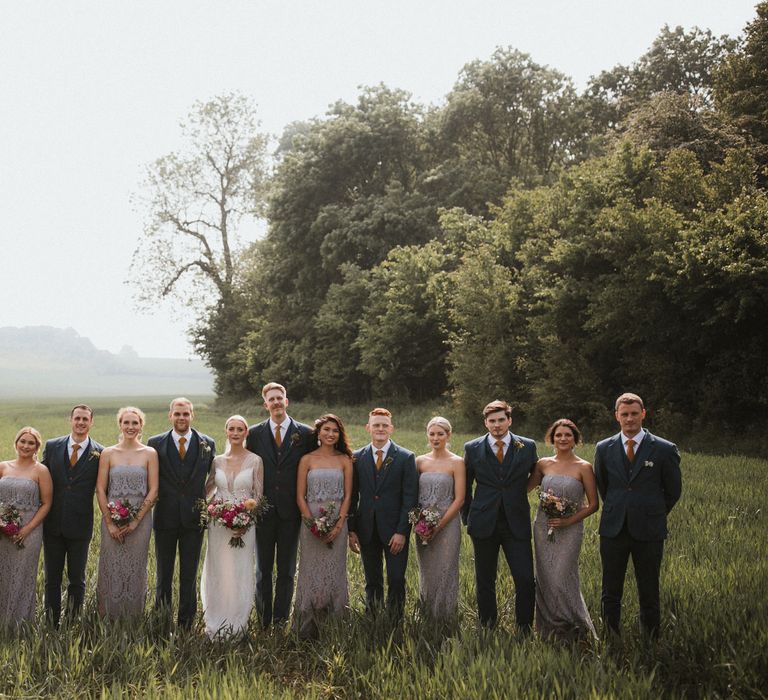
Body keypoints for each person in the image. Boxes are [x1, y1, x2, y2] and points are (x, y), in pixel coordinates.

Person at [595, 393, 682, 639]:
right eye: (625, 414)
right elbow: (604, 486)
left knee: (649, 588)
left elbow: (673, 491)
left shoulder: (664, 449)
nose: (630, 418)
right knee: (610, 589)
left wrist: (651, 512)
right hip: (613, 529)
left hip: (649, 530)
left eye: (634, 413)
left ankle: (651, 640)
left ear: (643, 413)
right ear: (617, 417)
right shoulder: (604, 448)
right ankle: (611, 636)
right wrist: (620, 509)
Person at [462, 400, 537, 632]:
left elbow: (535, 476)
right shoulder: (472, 448)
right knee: (485, 580)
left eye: (501, 420)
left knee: (525, 579)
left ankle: (524, 629)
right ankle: (488, 627)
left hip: (516, 522)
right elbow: (465, 486)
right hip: (484, 522)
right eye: (492, 421)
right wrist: (469, 518)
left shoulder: (527, 445)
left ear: (509, 420)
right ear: (485, 423)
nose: (497, 425)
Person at [245, 382, 312, 628]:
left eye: (279, 397)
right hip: (262, 511)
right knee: (262, 570)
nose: (275, 402)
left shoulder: (305, 434)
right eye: (270, 399)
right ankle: (263, 621)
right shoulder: (253, 434)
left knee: (286, 570)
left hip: (290, 512)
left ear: (286, 400)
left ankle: (281, 620)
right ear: (265, 405)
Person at [527, 418, 598, 640]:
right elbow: (524, 489)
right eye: (559, 435)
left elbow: (594, 504)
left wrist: (569, 521)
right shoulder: (543, 464)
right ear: (552, 438)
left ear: (575, 439)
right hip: (543, 527)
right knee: (545, 577)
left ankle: (574, 625)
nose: (563, 438)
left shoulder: (584, 467)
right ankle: (548, 630)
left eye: (568, 435)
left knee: (563, 576)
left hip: (570, 530)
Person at [149, 397, 216, 630]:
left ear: (192, 415)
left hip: (193, 520)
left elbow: (213, 479)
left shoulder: (207, 443)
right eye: (177, 414)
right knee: (163, 574)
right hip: (164, 517)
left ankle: (186, 623)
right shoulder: (155, 443)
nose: (181, 418)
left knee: (189, 574)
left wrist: (205, 503)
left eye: (185, 414)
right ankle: (161, 620)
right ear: (170, 415)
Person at [348, 408, 418, 620]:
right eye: (376, 425)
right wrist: (351, 530)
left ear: (391, 428)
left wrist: (402, 531)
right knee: (372, 579)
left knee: (396, 578)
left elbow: (410, 499)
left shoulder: (405, 457)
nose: (380, 429)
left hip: (394, 530)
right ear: (368, 428)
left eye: (384, 425)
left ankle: (395, 620)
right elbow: (352, 497)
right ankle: (373, 618)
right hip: (366, 528)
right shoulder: (357, 458)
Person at [200, 415, 264, 639]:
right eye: (231, 429)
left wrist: (246, 520)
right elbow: (208, 490)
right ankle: (215, 620)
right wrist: (209, 511)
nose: (235, 433)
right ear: (226, 431)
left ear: (246, 433)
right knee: (219, 569)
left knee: (240, 570)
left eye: (240, 429)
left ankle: (238, 622)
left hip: (244, 526)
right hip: (218, 525)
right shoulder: (217, 461)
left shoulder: (255, 460)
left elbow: (258, 495)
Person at [41, 405, 104, 627]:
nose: (81, 422)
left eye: (85, 419)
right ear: (71, 420)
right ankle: (51, 623)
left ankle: (72, 622)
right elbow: (40, 481)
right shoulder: (52, 446)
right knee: (52, 579)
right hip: (52, 525)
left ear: (91, 422)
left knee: (77, 579)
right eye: (77, 418)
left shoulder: (101, 452)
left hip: (80, 525)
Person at [293, 414, 353, 638]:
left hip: (338, 519)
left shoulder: (345, 460)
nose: (330, 434)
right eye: (326, 430)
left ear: (339, 435)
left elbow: (348, 496)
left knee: (335, 572)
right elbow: (300, 496)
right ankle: (306, 627)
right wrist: (312, 525)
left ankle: (335, 627)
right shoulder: (307, 459)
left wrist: (338, 526)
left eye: (335, 431)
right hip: (310, 522)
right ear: (318, 433)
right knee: (310, 572)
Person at [95, 407, 159, 618]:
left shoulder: (150, 453)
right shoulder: (108, 453)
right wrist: (110, 523)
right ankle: (108, 615)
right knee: (111, 564)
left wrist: (135, 521)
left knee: (135, 567)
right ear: (120, 425)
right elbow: (100, 490)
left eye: (135, 423)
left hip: (140, 523)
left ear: (141, 426)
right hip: (111, 520)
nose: (130, 427)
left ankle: (133, 616)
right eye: (126, 423)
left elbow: (153, 489)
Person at [0, 427, 53, 627]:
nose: (26, 446)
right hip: (2, 532)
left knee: (22, 576)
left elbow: (46, 503)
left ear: (37, 447)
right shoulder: (3, 467)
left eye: (31, 443)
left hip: (28, 533)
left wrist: (27, 530)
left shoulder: (41, 471)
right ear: (16, 443)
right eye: (23, 441)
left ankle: (20, 624)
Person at [413, 416, 464, 620]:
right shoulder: (419, 461)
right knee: (427, 570)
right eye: (432, 434)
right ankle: (426, 613)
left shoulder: (457, 462)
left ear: (448, 435)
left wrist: (439, 526)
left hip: (448, 525)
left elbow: (459, 499)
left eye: (440, 434)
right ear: (427, 435)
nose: (435, 438)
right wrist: (421, 523)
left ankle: (446, 616)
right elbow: (412, 495)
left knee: (446, 569)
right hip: (423, 525)